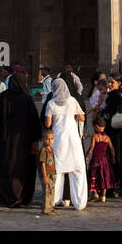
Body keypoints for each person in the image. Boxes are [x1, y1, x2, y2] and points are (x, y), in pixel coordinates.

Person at [0, 65, 42, 207]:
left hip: (7, 140)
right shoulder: (26, 98)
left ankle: (8, 196)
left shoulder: (4, 97)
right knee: (23, 168)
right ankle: (22, 196)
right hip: (24, 142)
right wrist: (36, 138)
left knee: (7, 167)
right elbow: (34, 121)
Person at [45, 78, 87, 210]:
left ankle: (54, 199)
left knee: (57, 170)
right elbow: (82, 117)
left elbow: (48, 124)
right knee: (77, 169)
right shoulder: (72, 101)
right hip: (73, 137)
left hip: (58, 138)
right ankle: (80, 202)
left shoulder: (51, 103)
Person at [101, 75, 122, 197]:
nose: (109, 84)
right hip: (115, 130)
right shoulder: (115, 95)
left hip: (114, 130)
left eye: (112, 82)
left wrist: (104, 114)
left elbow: (115, 111)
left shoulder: (116, 96)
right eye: (108, 82)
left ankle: (115, 187)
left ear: (118, 83)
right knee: (114, 156)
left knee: (115, 157)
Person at [86, 116, 117, 202]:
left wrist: (86, 155)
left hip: (96, 159)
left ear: (96, 126)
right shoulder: (107, 138)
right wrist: (113, 157)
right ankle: (103, 196)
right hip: (104, 160)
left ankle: (95, 193)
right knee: (105, 176)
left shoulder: (95, 136)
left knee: (94, 175)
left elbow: (91, 148)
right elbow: (112, 148)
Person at [39, 130, 57, 215]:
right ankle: (46, 209)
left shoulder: (51, 149)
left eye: (52, 139)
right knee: (46, 192)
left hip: (52, 172)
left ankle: (51, 207)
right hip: (46, 174)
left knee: (52, 190)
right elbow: (42, 163)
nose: (50, 141)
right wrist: (44, 176)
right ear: (43, 139)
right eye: (47, 139)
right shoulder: (43, 150)